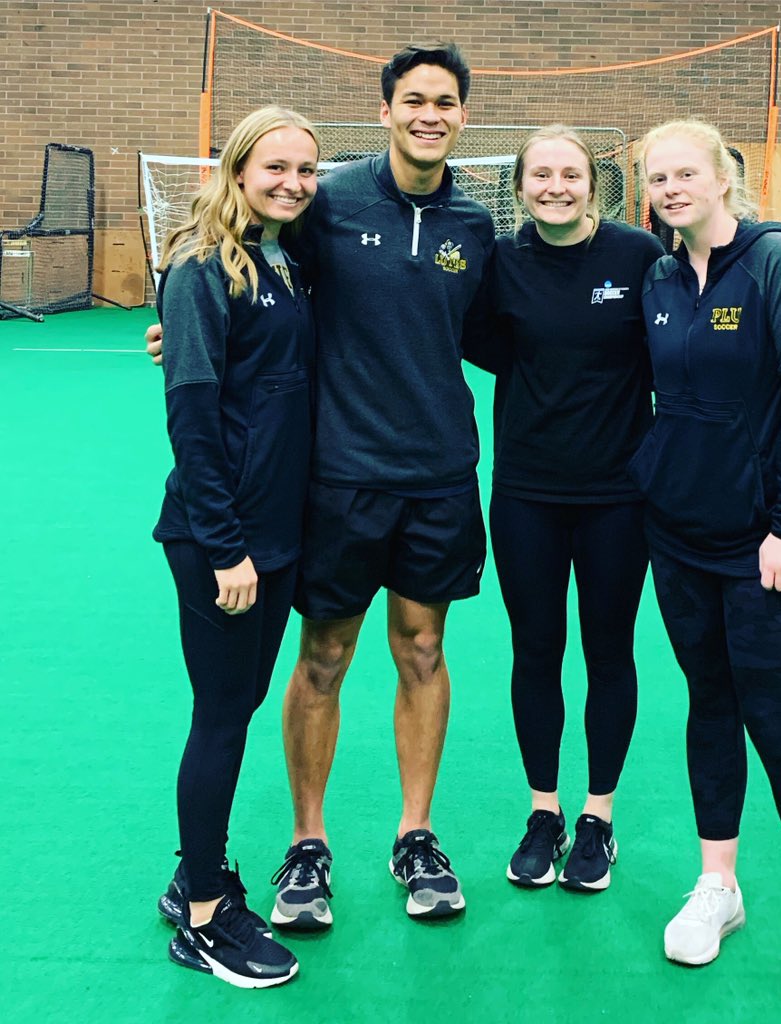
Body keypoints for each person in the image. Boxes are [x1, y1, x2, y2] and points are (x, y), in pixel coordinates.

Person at [148, 42, 494, 925]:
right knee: (325, 658)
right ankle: (309, 846)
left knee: (421, 651)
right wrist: (180, 334)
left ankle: (416, 836)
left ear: (463, 115)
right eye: (413, 99)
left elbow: (503, 336)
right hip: (337, 479)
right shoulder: (328, 203)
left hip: (440, 477)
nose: (429, 114)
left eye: (445, 102)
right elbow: (235, 265)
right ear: (384, 111)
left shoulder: (475, 227)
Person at [630, 119, 781, 1004]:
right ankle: (718, 887)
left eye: (687, 172)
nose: (672, 186)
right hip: (676, 538)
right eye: (657, 176)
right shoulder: (655, 276)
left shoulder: (776, 264)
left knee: (777, 723)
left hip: (764, 546)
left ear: (724, 177)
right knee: (709, 708)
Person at [463, 126, 664, 892]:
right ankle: (543, 813)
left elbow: (674, 349)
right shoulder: (500, 264)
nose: (556, 186)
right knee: (535, 650)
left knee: (609, 652)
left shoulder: (638, 258)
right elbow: (469, 336)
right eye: (540, 175)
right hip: (525, 495)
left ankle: (597, 820)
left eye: (570, 174)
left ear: (594, 185)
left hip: (618, 498)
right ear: (518, 188)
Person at [153, 106, 319, 987]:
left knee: (241, 704)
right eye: (275, 167)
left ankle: (194, 878)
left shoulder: (286, 259)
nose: (292, 182)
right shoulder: (200, 267)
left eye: (306, 169)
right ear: (237, 167)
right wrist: (224, 547)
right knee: (221, 717)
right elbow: (192, 414)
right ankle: (208, 916)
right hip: (223, 541)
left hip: (279, 537)